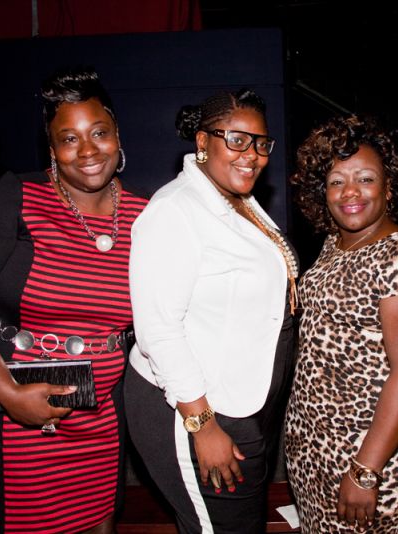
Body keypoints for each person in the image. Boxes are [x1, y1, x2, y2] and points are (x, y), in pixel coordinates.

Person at [0, 67, 147, 533]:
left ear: (117, 135)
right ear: (52, 150)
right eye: (69, 139)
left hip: (102, 415)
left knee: (98, 523)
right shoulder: (16, 197)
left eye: (99, 133)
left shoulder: (147, 216)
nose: (89, 150)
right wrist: (9, 394)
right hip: (20, 409)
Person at [126, 89, 295, 533]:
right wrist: (202, 425)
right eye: (237, 140)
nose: (253, 155)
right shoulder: (174, 210)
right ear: (203, 141)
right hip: (196, 410)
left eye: (261, 143)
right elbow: (158, 330)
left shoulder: (234, 200)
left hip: (241, 400)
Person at [285, 115, 398, 532]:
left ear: (390, 187)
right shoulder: (334, 244)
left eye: (366, 178)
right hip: (314, 442)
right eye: (337, 181)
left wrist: (365, 470)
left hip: (370, 449)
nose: (350, 192)